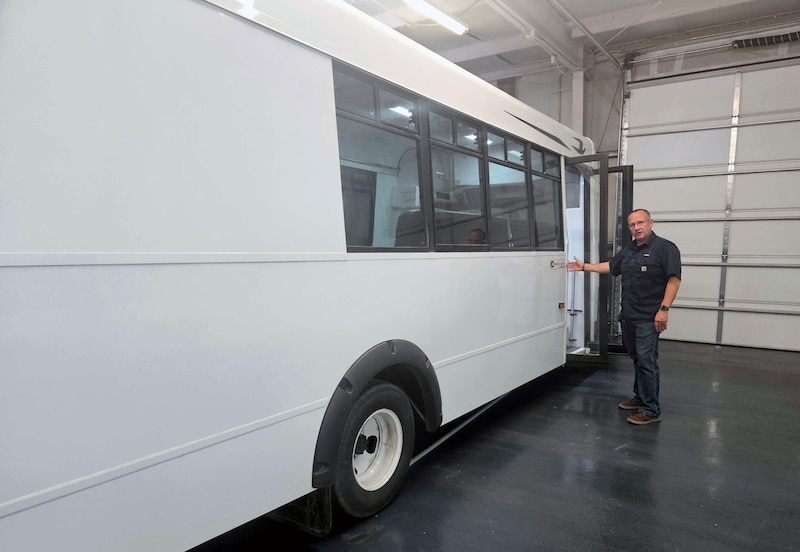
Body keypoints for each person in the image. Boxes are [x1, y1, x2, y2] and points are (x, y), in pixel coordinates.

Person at [566, 209, 681, 425]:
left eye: (641, 223)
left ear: (650, 223)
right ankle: (640, 397)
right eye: (632, 225)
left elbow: (674, 280)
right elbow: (611, 266)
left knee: (647, 362)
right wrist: (585, 267)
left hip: (649, 317)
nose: (637, 228)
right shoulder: (629, 250)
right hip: (629, 316)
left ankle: (650, 410)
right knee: (637, 359)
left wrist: (664, 309)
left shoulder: (665, 248)